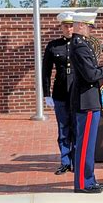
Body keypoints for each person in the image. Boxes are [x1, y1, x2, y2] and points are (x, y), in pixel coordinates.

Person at [70, 12, 103, 193]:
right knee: (85, 145)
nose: (91, 29)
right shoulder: (79, 46)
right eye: (89, 26)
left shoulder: (83, 44)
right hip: (86, 101)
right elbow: (91, 75)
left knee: (89, 144)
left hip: (90, 100)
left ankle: (89, 179)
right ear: (80, 26)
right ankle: (83, 184)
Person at [42, 11, 76, 175]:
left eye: (71, 26)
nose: (69, 29)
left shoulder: (82, 42)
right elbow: (46, 71)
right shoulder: (53, 46)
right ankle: (64, 161)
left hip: (77, 94)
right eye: (66, 26)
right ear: (61, 27)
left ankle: (76, 161)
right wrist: (46, 94)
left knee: (76, 128)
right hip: (60, 93)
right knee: (63, 129)